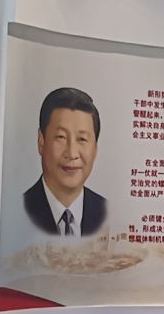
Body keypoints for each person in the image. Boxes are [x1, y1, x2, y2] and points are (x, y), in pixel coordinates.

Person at [23, 87, 107, 237]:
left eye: (82, 139)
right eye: (61, 137)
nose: (72, 154)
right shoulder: (18, 210)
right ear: (41, 141)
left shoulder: (106, 212)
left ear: (95, 148)